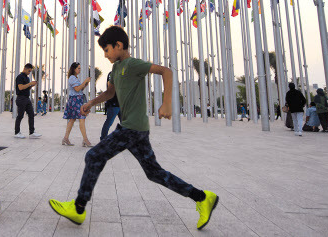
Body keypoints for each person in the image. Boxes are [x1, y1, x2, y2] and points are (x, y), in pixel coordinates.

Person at [49, 26, 218, 230]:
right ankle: (202, 197)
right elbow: (110, 94)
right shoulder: (116, 69)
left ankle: (78, 209)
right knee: (154, 173)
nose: (105, 54)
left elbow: (166, 72)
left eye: (107, 49)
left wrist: (166, 103)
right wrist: (91, 103)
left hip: (131, 128)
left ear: (119, 45)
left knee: (94, 156)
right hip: (137, 130)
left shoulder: (133, 64)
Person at [62, 62, 93, 147]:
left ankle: (66, 138)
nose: (80, 70)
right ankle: (85, 140)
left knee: (72, 119)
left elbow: (80, 89)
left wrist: (86, 83)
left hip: (77, 100)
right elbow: (77, 89)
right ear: (74, 69)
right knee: (81, 118)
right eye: (78, 68)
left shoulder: (75, 78)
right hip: (75, 100)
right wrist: (85, 81)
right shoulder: (72, 78)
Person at [14, 63, 42, 139]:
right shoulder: (19, 77)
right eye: (29, 71)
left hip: (27, 98)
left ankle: (32, 132)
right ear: (25, 69)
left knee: (31, 114)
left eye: (30, 71)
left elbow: (26, 88)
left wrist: (31, 85)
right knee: (20, 116)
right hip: (21, 98)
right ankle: (17, 132)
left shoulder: (27, 78)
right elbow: (20, 88)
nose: (29, 73)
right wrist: (29, 83)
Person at [100, 72, 121, 141]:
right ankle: (103, 139)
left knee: (126, 123)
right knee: (109, 122)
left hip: (122, 104)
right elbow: (110, 87)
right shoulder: (112, 74)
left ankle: (127, 141)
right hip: (113, 103)